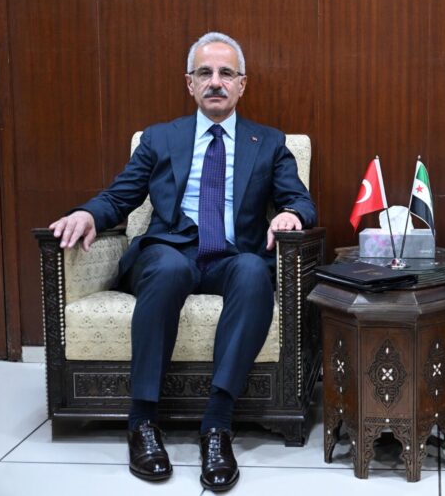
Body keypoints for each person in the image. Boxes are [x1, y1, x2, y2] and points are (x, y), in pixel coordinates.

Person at [48, 32, 316, 492]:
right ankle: (142, 421)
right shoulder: (160, 138)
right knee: (169, 268)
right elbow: (121, 195)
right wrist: (87, 214)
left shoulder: (269, 142)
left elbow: (300, 200)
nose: (215, 82)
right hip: (170, 250)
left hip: (232, 256)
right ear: (189, 83)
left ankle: (217, 424)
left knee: (255, 271)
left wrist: (291, 213)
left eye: (226, 73)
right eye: (204, 73)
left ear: (242, 84)